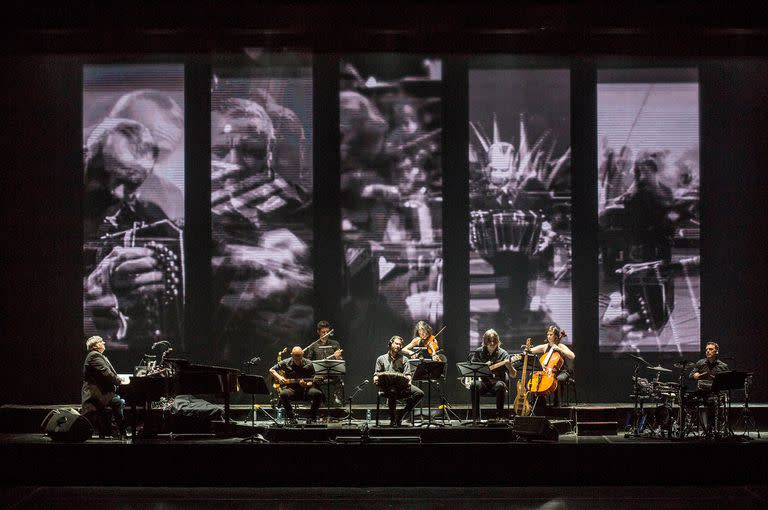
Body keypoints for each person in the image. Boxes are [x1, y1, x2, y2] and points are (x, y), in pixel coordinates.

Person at [83, 119, 180, 354]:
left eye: (131, 183)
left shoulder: (152, 219)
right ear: (84, 156)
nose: (117, 193)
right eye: (105, 175)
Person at [80, 335, 127, 438]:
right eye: (101, 341)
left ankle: (115, 430)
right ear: (95, 345)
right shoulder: (94, 356)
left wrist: (119, 379)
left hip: (101, 392)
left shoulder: (98, 356)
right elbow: (106, 373)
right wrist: (119, 381)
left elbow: (108, 373)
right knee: (119, 401)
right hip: (96, 394)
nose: (104, 343)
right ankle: (120, 431)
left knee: (118, 400)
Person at [373, 336, 424, 426]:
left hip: (401, 387)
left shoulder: (404, 359)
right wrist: (376, 379)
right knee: (392, 391)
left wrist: (408, 380)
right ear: (390, 344)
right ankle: (393, 419)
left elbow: (408, 375)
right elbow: (376, 374)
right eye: (396, 343)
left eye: (400, 344)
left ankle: (402, 413)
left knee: (419, 393)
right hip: (387, 388)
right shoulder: (381, 359)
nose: (398, 346)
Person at [469, 329, 517, 420]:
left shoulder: (503, 353)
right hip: (484, 383)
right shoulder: (479, 352)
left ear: (498, 341)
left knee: (501, 385)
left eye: (494, 341)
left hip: (497, 385)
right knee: (474, 385)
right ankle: (476, 417)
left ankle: (499, 416)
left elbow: (513, 375)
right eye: (489, 341)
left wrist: (509, 366)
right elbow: (472, 368)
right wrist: (483, 366)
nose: (491, 343)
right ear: (485, 341)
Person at [269, 346, 324, 425]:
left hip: (306, 390)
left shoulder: (309, 363)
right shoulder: (286, 362)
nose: (298, 359)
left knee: (318, 394)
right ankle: (292, 417)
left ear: (303, 354)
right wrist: (280, 377)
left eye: (299, 356)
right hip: (292, 390)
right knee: (283, 394)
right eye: (295, 356)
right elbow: (271, 370)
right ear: (291, 354)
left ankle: (312, 417)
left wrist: (306, 384)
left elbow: (313, 380)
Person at [690, 341, 729, 437]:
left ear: (716, 351)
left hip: (715, 393)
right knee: (686, 398)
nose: (707, 351)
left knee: (711, 401)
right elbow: (691, 375)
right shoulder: (700, 363)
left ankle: (709, 429)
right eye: (706, 349)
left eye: (710, 349)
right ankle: (688, 426)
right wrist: (695, 375)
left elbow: (727, 383)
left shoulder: (723, 366)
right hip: (701, 392)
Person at [529, 325, 575, 406]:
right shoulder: (545, 346)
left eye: (551, 334)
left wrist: (559, 349)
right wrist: (527, 349)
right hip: (548, 372)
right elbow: (532, 350)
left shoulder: (560, 346)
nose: (549, 336)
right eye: (548, 334)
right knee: (534, 377)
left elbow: (572, 355)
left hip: (561, 372)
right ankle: (540, 403)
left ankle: (557, 403)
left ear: (556, 336)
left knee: (559, 379)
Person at [304, 320, 344, 406]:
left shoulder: (335, 344)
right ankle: (321, 400)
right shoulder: (314, 345)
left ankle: (337, 398)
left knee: (338, 377)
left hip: (332, 373)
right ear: (318, 332)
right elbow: (308, 361)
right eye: (323, 332)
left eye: (327, 331)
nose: (326, 334)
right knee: (314, 381)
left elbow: (340, 361)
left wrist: (338, 357)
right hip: (320, 373)